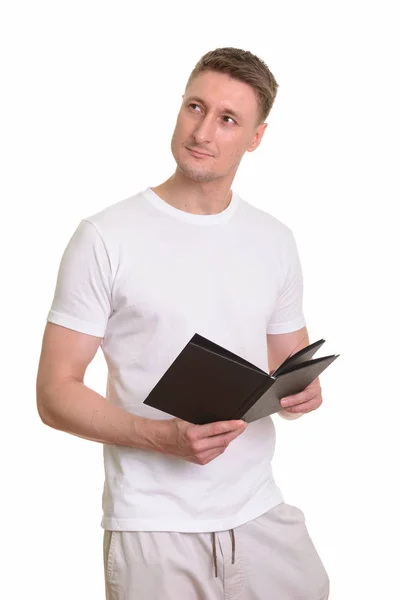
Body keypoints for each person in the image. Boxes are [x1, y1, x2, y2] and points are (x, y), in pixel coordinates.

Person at [36, 47, 330, 599]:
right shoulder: (105, 237)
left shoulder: (274, 239)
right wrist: (160, 437)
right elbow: (53, 393)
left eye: (227, 119)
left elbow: (287, 366)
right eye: (195, 107)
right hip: (153, 528)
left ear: (256, 137)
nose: (203, 131)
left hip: (260, 512)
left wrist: (303, 393)